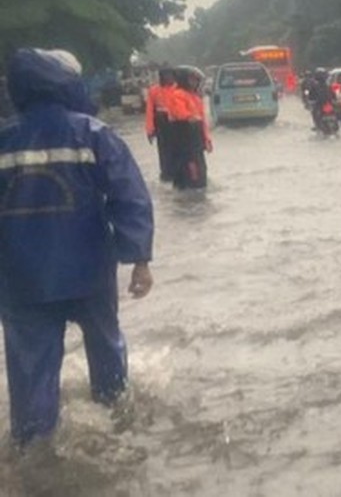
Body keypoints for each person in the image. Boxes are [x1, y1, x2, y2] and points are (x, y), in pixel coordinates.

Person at [0, 49, 154, 446]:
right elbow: (129, 196)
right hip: (88, 270)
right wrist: (139, 258)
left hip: (21, 280)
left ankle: (34, 454)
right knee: (106, 351)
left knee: (30, 369)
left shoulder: (4, 140)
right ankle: (118, 421)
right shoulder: (93, 133)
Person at [167, 68, 212, 189]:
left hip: (196, 137)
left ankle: (198, 188)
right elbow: (180, 113)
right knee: (189, 167)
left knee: (200, 167)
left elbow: (202, 121)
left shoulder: (196, 97)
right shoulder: (177, 95)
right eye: (191, 80)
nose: (195, 83)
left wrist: (207, 139)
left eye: (196, 80)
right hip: (183, 136)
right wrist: (191, 117)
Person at [145, 67, 177, 181]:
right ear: (161, 77)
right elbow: (149, 111)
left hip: (176, 123)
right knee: (164, 151)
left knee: (177, 150)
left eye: (171, 75)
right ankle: (166, 174)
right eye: (166, 75)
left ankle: (177, 173)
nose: (169, 78)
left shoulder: (177, 89)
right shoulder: (154, 91)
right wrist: (150, 130)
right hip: (161, 123)